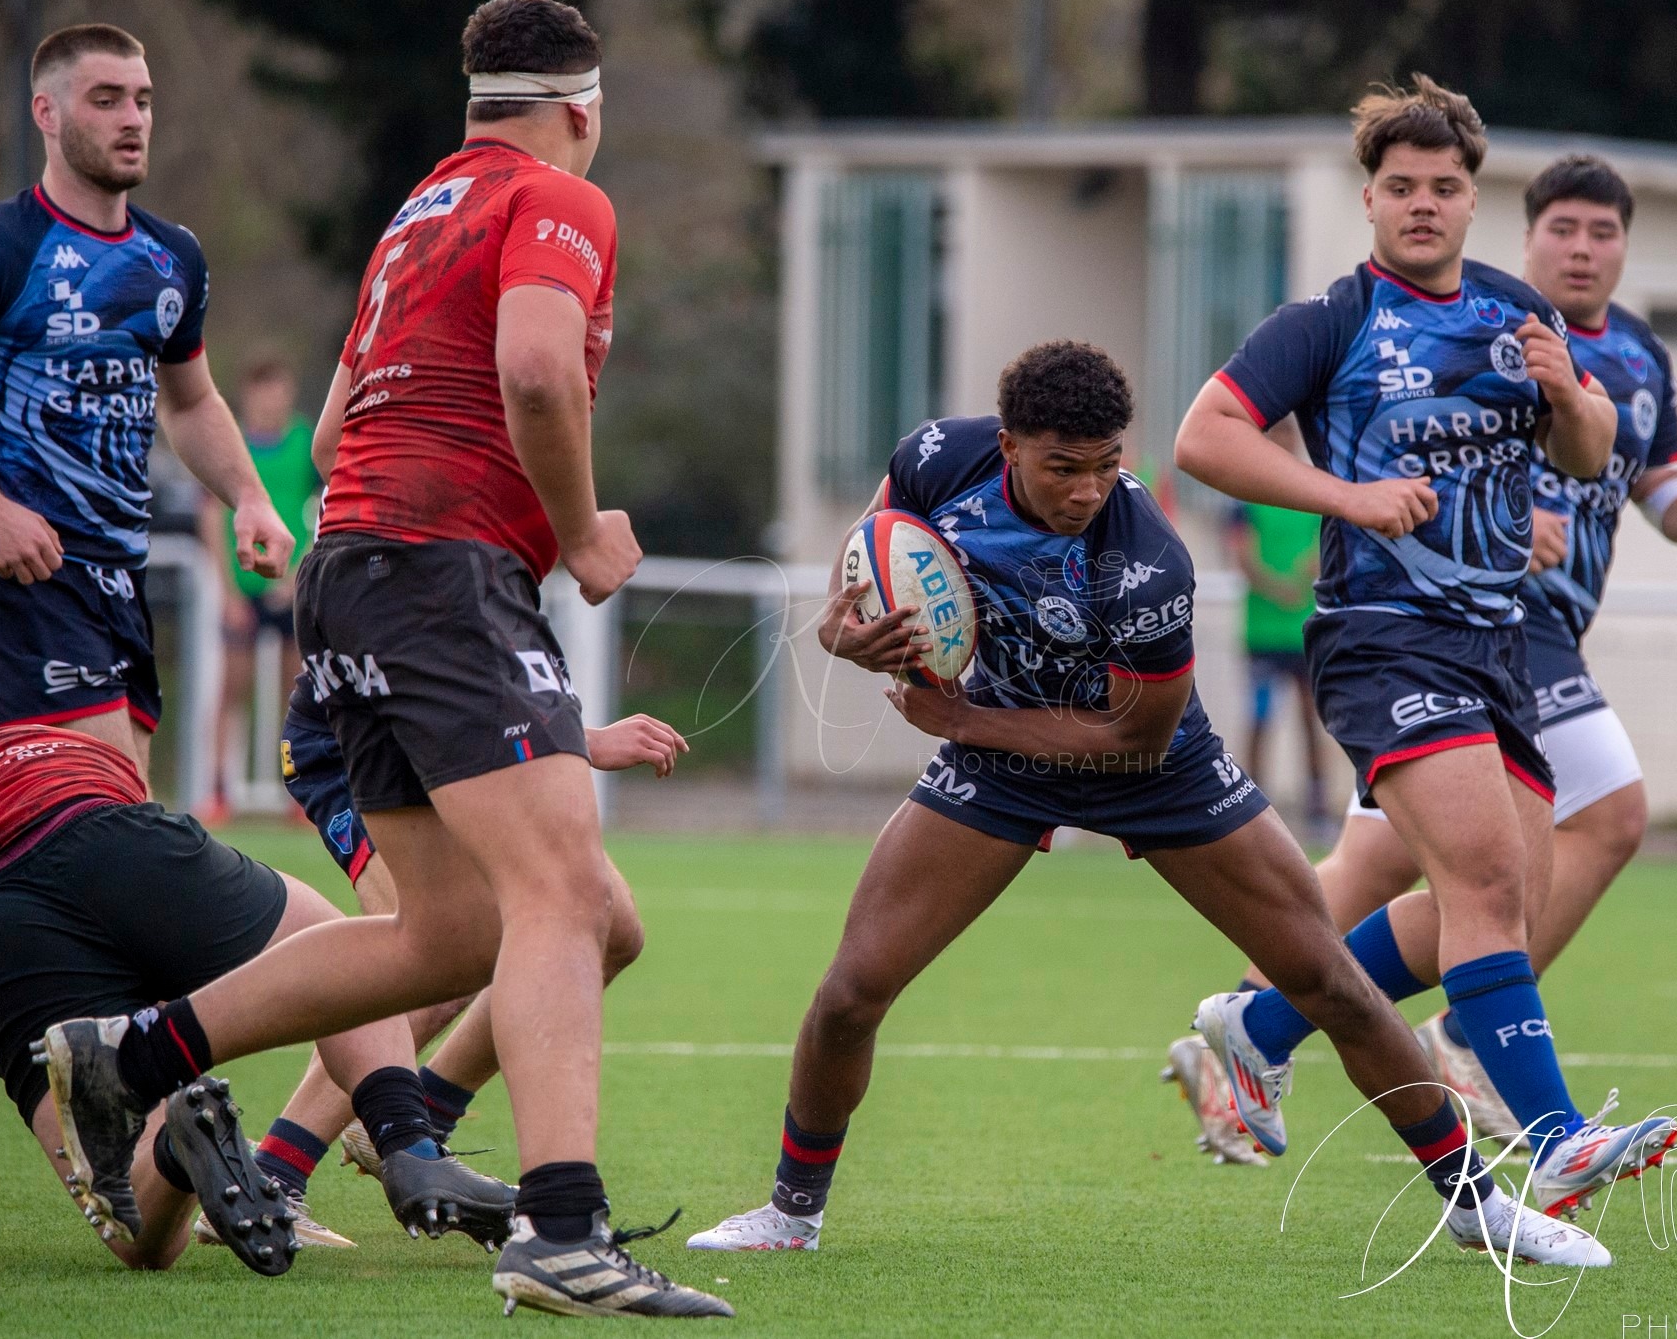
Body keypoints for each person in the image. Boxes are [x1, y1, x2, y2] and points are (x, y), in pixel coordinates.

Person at [32, 0, 734, 1319]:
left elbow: (352, 394)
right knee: (568, 897)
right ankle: (563, 1231)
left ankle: (137, 1049)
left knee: (452, 929)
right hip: (439, 566)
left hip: (351, 564)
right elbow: (536, 370)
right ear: (585, 108)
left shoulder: (423, 208)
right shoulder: (560, 197)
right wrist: (577, 532)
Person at [685, 340, 1609, 1268]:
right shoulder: (936, 460)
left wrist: (963, 718)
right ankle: (790, 1211)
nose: (1087, 489)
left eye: (1106, 465)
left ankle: (1476, 1203)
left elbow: (1138, 738)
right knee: (851, 992)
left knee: (1329, 980)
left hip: (1154, 767)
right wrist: (850, 636)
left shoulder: (1147, 564)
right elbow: (854, 586)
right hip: (998, 751)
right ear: (1006, 445)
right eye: (1062, 468)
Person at [1172, 76, 1677, 1222]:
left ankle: (1249, 1026)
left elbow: (1594, 452)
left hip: (1499, 650)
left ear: (1468, 199)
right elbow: (1201, 438)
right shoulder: (1329, 321)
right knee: (1488, 886)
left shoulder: (1516, 313)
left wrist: (1568, 399)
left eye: (1442, 187)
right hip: (1380, 643)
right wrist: (1340, 497)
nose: (1421, 204)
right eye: (1399, 187)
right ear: (1368, 200)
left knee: (1483, 912)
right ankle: (1553, 1143)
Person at [1275, 155, 1677, 1137]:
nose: (1579, 250)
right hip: (1477, 624)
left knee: (1400, 872)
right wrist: (1498, 517)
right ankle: (1478, 1047)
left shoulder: (1635, 357)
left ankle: (1253, 1027)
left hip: (1525, 637)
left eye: (1600, 232)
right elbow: (1422, 451)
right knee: (1603, 816)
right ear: (1524, 234)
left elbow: (1649, 477)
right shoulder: (1477, 325)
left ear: (1622, 245)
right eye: (1561, 230)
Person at [0, 698, 509, 1275]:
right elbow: (126, 819)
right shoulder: (34, 738)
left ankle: (182, 1145)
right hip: (105, 828)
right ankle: (408, 1140)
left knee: (140, 1236)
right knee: (343, 959)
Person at [0, 24, 291, 787]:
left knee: (117, 833)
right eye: (106, 101)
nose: (132, 119)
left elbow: (192, 402)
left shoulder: (173, 259)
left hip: (118, 585)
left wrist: (250, 499)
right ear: (47, 113)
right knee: (107, 825)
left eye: (142, 101)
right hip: (25, 585)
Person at [186, 670, 689, 1250]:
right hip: (374, 734)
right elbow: (429, 649)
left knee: (605, 923)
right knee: (439, 956)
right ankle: (270, 1173)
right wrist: (576, 738)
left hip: (471, 740)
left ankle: (418, 1116)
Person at [199, 355, 320, 822]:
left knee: (298, 694)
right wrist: (227, 593)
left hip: (290, 590)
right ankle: (218, 793)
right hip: (243, 589)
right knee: (232, 691)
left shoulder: (304, 444)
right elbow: (210, 515)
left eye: (279, 389)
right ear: (249, 394)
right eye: (263, 389)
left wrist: (299, 574)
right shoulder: (233, 446)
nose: (272, 399)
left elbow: (321, 509)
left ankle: (301, 796)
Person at [1228, 422, 1332, 835]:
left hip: (1306, 631)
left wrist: (1306, 578)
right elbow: (1242, 554)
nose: (1280, 445)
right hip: (1262, 633)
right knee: (1260, 717)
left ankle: (1318, 806)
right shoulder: (1245, 497)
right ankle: (1249, 807)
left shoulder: (1313, 491)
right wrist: (1279, 587)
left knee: (1311, 719)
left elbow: (1324, 548)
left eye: (1286, 438)